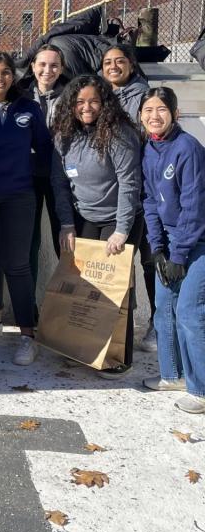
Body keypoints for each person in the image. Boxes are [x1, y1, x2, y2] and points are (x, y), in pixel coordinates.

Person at [51, 74, 142, 377]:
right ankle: (85, 347)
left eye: (93, 100)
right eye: (79, 102)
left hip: (118, 219)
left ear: (104, 102)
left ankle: (118, 357)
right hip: (84, 216)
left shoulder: (119, 134)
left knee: (116, 290)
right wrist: (66, 224)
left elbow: (129, 184)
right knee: (84, 286)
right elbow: (60, 184)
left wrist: (121, 229)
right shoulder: (64, 136)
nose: (86, 107)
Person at [0, 53, 52, 366]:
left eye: (5, 73)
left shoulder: (28, 109)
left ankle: (28, 335)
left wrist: (32, 178)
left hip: (19, 196)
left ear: (13, 77)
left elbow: (44, 150)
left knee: (17, 264)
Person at [139, 88, 205, 414]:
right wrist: (158, 249)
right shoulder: (150, 149)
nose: (154, 115)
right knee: (164, 309)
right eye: (148, 110)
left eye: (161, 109)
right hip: (169, 240)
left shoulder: (188, 149)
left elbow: (194, 208)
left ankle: (201, 389)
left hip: (197, 242)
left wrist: (179, 256)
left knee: (191, 313)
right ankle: (173, 375)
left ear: (175, 114)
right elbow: (150, 201)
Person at [99, 43, 156, 352]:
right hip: (117, 189)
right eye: (108, 62)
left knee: (150, 259)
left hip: (145, 187)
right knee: (123, 263)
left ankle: (157, 324)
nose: (113, 66)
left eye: (119, 61)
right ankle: (123, 323)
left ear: (131, 65)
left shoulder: (143, 96)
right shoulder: (103, 96)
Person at [24, 44, 67, 291]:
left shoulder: (70, 96)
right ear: (33, 67)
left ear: (61, 69)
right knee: (30, 241)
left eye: (54, 65)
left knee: (64, 237)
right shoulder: (20, 95)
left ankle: (70, 306)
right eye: (42, 64)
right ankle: (29, 308)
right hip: (27, 175)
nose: (47, 70)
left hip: (60, 176)